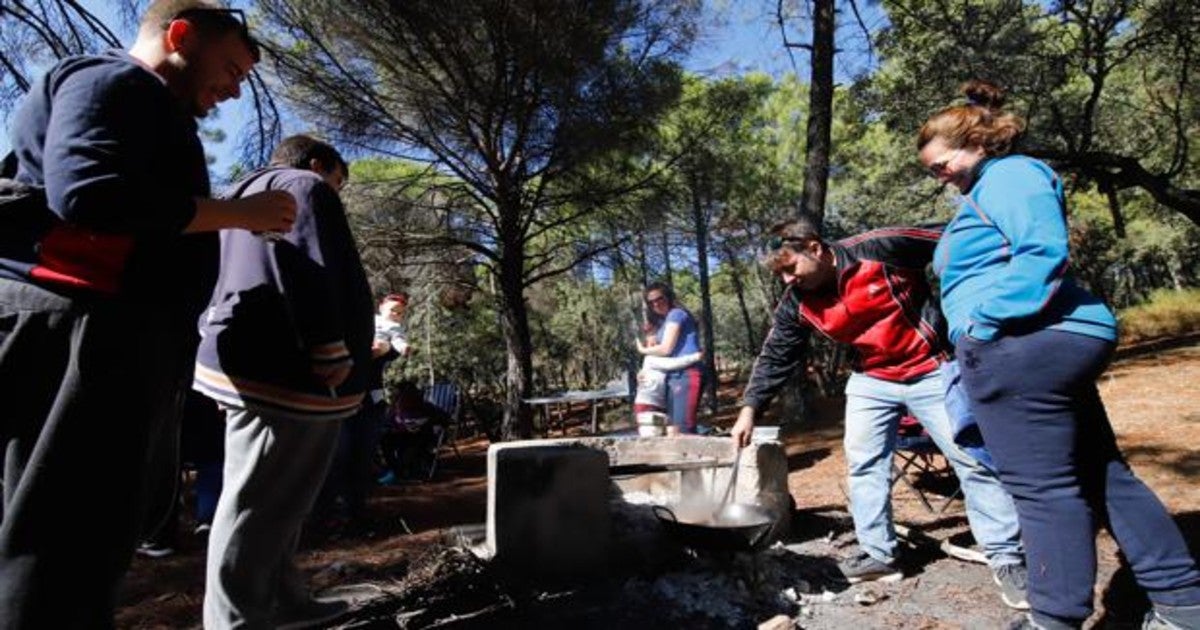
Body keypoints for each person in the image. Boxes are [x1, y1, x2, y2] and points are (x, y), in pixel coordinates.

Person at [0, 2, 294, 626]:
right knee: (59, 544)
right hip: (75, 332)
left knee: (86, 541)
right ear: (179, 34)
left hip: (110, 341)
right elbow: (88, 192)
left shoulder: (150, 107)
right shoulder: (113, 79)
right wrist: (240, 214)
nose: (236, 89)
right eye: (231, 67)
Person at [917, 80, 1200, 630]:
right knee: (1101, 473)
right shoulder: (990, 187)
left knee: (1042, 489)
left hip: (1020, 346)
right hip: (1038, 345)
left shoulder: (1010, 175)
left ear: (976, 142)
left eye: (941, 163)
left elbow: (1042, 250)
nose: (940, 176)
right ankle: (1183, 604)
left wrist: (980, 324)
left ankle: (1053, 618)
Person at [729, 216, 1029, 609]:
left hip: (930, 368)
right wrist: (750, 408)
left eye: (791, 268)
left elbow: (958, 236)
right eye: (781, 273)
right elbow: (776, 354)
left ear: (815, 248)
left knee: (969, 458)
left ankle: (1007, 558)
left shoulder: (881, 247)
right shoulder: (797, 302)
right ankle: (879, 554)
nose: (787, 279)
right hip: (871, 379)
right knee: (864, 463)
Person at [192, 135, 374, 628]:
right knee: (254, 498)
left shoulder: (236, 197)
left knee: (282, 498)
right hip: (286, 370)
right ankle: (233, 620)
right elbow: (306, 262)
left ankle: (283, 599)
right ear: (320, 164)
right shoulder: (303, 184)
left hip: (251, 359)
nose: (337, 191)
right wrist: (330, 344)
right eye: (339, 180)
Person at [314, 292, 410, 530]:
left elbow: (391, 349)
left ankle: (355, 512)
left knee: (362, 458)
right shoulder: (336, 328)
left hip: (370, 403)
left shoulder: (385, 329)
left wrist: (384, 347)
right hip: (338, 403)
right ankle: (326, 514)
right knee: (337, 457)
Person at [635, 282, 704, 434]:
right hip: (671, 376)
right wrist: (643, 371)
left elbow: (666, 349)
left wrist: (642, 350)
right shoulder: (663, 322)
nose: (656, 304)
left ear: (669, 297)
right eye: (651, 302)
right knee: (671, 430)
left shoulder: (676, 314)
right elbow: (657, 357)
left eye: (659, 298)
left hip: (686, 373)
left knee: (682, 428)